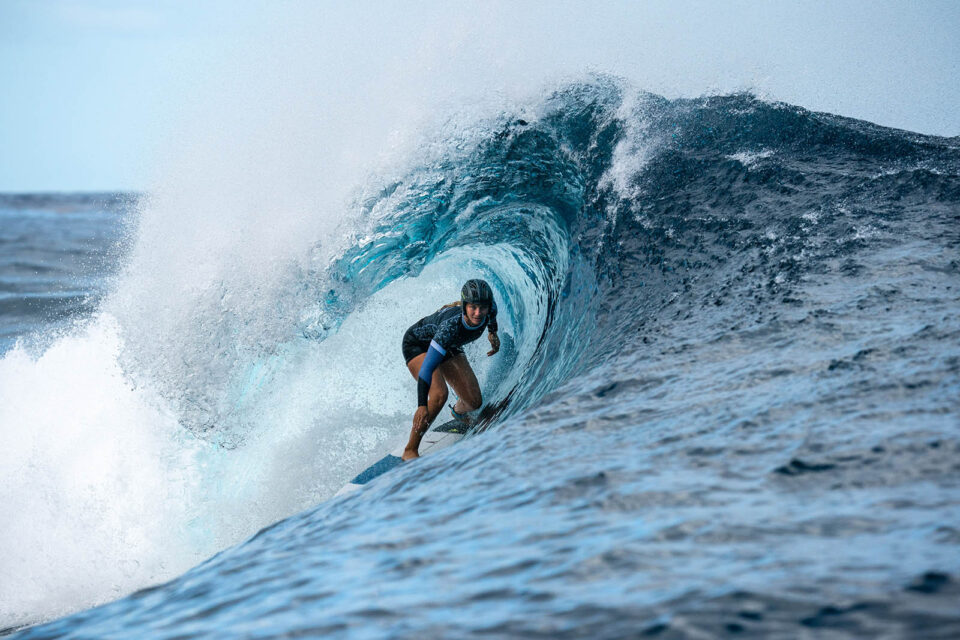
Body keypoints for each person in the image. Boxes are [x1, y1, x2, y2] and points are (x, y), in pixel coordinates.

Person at [400, 278, 500, 460]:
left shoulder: (490, 309)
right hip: (418, 345)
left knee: (474, 402)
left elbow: (491, 320)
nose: (478, 313)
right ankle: (410, 449)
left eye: (482, 307)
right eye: (473, 307)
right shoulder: (450, 327)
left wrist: (493, 333)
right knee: (439, 395)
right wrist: (422, 404)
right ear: (464, 305)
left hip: (448, 346)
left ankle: (458, 413)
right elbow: (426, 370)